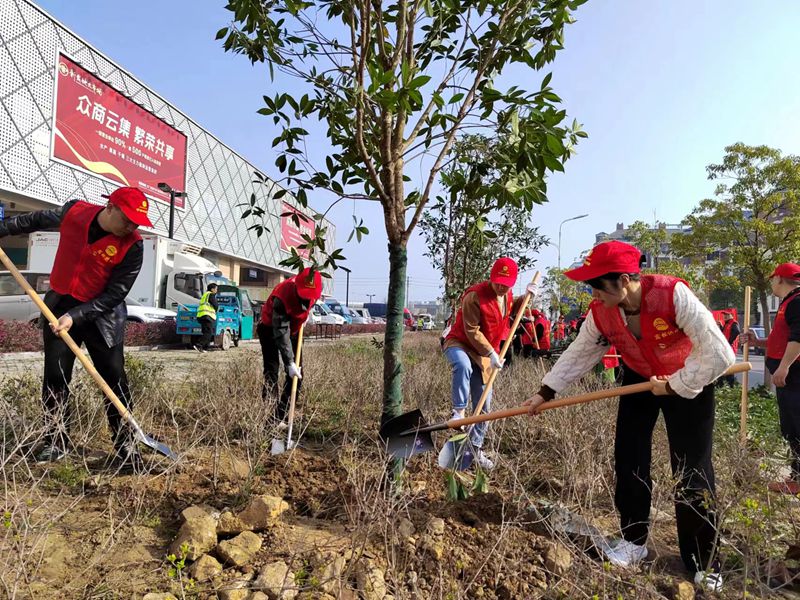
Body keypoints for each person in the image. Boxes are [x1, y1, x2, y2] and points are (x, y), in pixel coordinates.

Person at [524, 240, 734, 591]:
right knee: (629, 458)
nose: (593, 293)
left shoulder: (673, 295)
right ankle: (633, 541)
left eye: (596, 285)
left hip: (690, 378)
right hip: (639, 380)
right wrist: (546, 391)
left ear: (623, 281)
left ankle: (702, 559)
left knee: (692, 468)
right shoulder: (601, 311)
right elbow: (580, 352)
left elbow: (719, 353)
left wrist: (676, 383)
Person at [0, 187, 151, 469]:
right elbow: (32, 220)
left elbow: (115, 294)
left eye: (137, 222)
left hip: (102, 316)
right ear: (111, 208)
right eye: (128, 219)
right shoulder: (75, 212)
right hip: (58, 307)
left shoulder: (133, 246)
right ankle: (56, 441)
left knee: (114, 379)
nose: (132, 226)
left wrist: (77, 315)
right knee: (55, 378)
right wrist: (3, 228)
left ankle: (126, 443)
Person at [442, 257, 533, 470]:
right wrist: (492, 352)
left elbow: (511, 310)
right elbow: (471, 330)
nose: (502, 287)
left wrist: (527, 296)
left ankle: (475, 450)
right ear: (491, 278)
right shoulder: (474, 296)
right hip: (461, 343)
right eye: (498, 282)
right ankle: (458, 411)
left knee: (485, 408)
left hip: (484, 354)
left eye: (507, 284)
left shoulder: (507, 294)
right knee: (462, 366)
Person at [743, 263, 800, 494]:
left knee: (796, 427)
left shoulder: (797, 302)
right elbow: (783, 340)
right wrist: (758, 342)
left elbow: (798, 338)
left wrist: (784, 367)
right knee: (791, 427)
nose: (771, 283)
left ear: (780, 278)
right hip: (789, 377)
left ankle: (797, 479)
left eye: (773, 279)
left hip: (794, 377)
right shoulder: (789, 303)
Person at [258, 267, 323, 427]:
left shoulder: (314, 289)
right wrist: (289, 362)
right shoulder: (283, 295)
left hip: (294, 331)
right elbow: (281, 332)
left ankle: (280, 416)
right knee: (272, 371)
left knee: (297, 375)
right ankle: (269, 420)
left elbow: (305, 307)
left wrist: (304, 318)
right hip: (270, 329)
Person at [719, 310, 740, 387]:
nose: (725, 316)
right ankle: (723, 385)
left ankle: (730, 386)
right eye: (724, 314)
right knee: (724, 368)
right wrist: (721, 327)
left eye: (727, 314)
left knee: (729, 369)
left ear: (731, 315)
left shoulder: (733, 323)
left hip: (729, 350)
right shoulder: (727, 324)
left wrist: (729, 343)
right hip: (725, 350)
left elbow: (737, 332)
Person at [195, 283, 218, 353]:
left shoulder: (205, 295)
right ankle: (199, 344)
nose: (217, 290)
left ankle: (205, 348)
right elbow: (215, 304)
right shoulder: (211, 294)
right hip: (207, 316)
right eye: (216, 289)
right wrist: (216, 309)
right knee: (209, 332)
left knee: (206, 332)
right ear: (212, 289)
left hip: (202, 316)